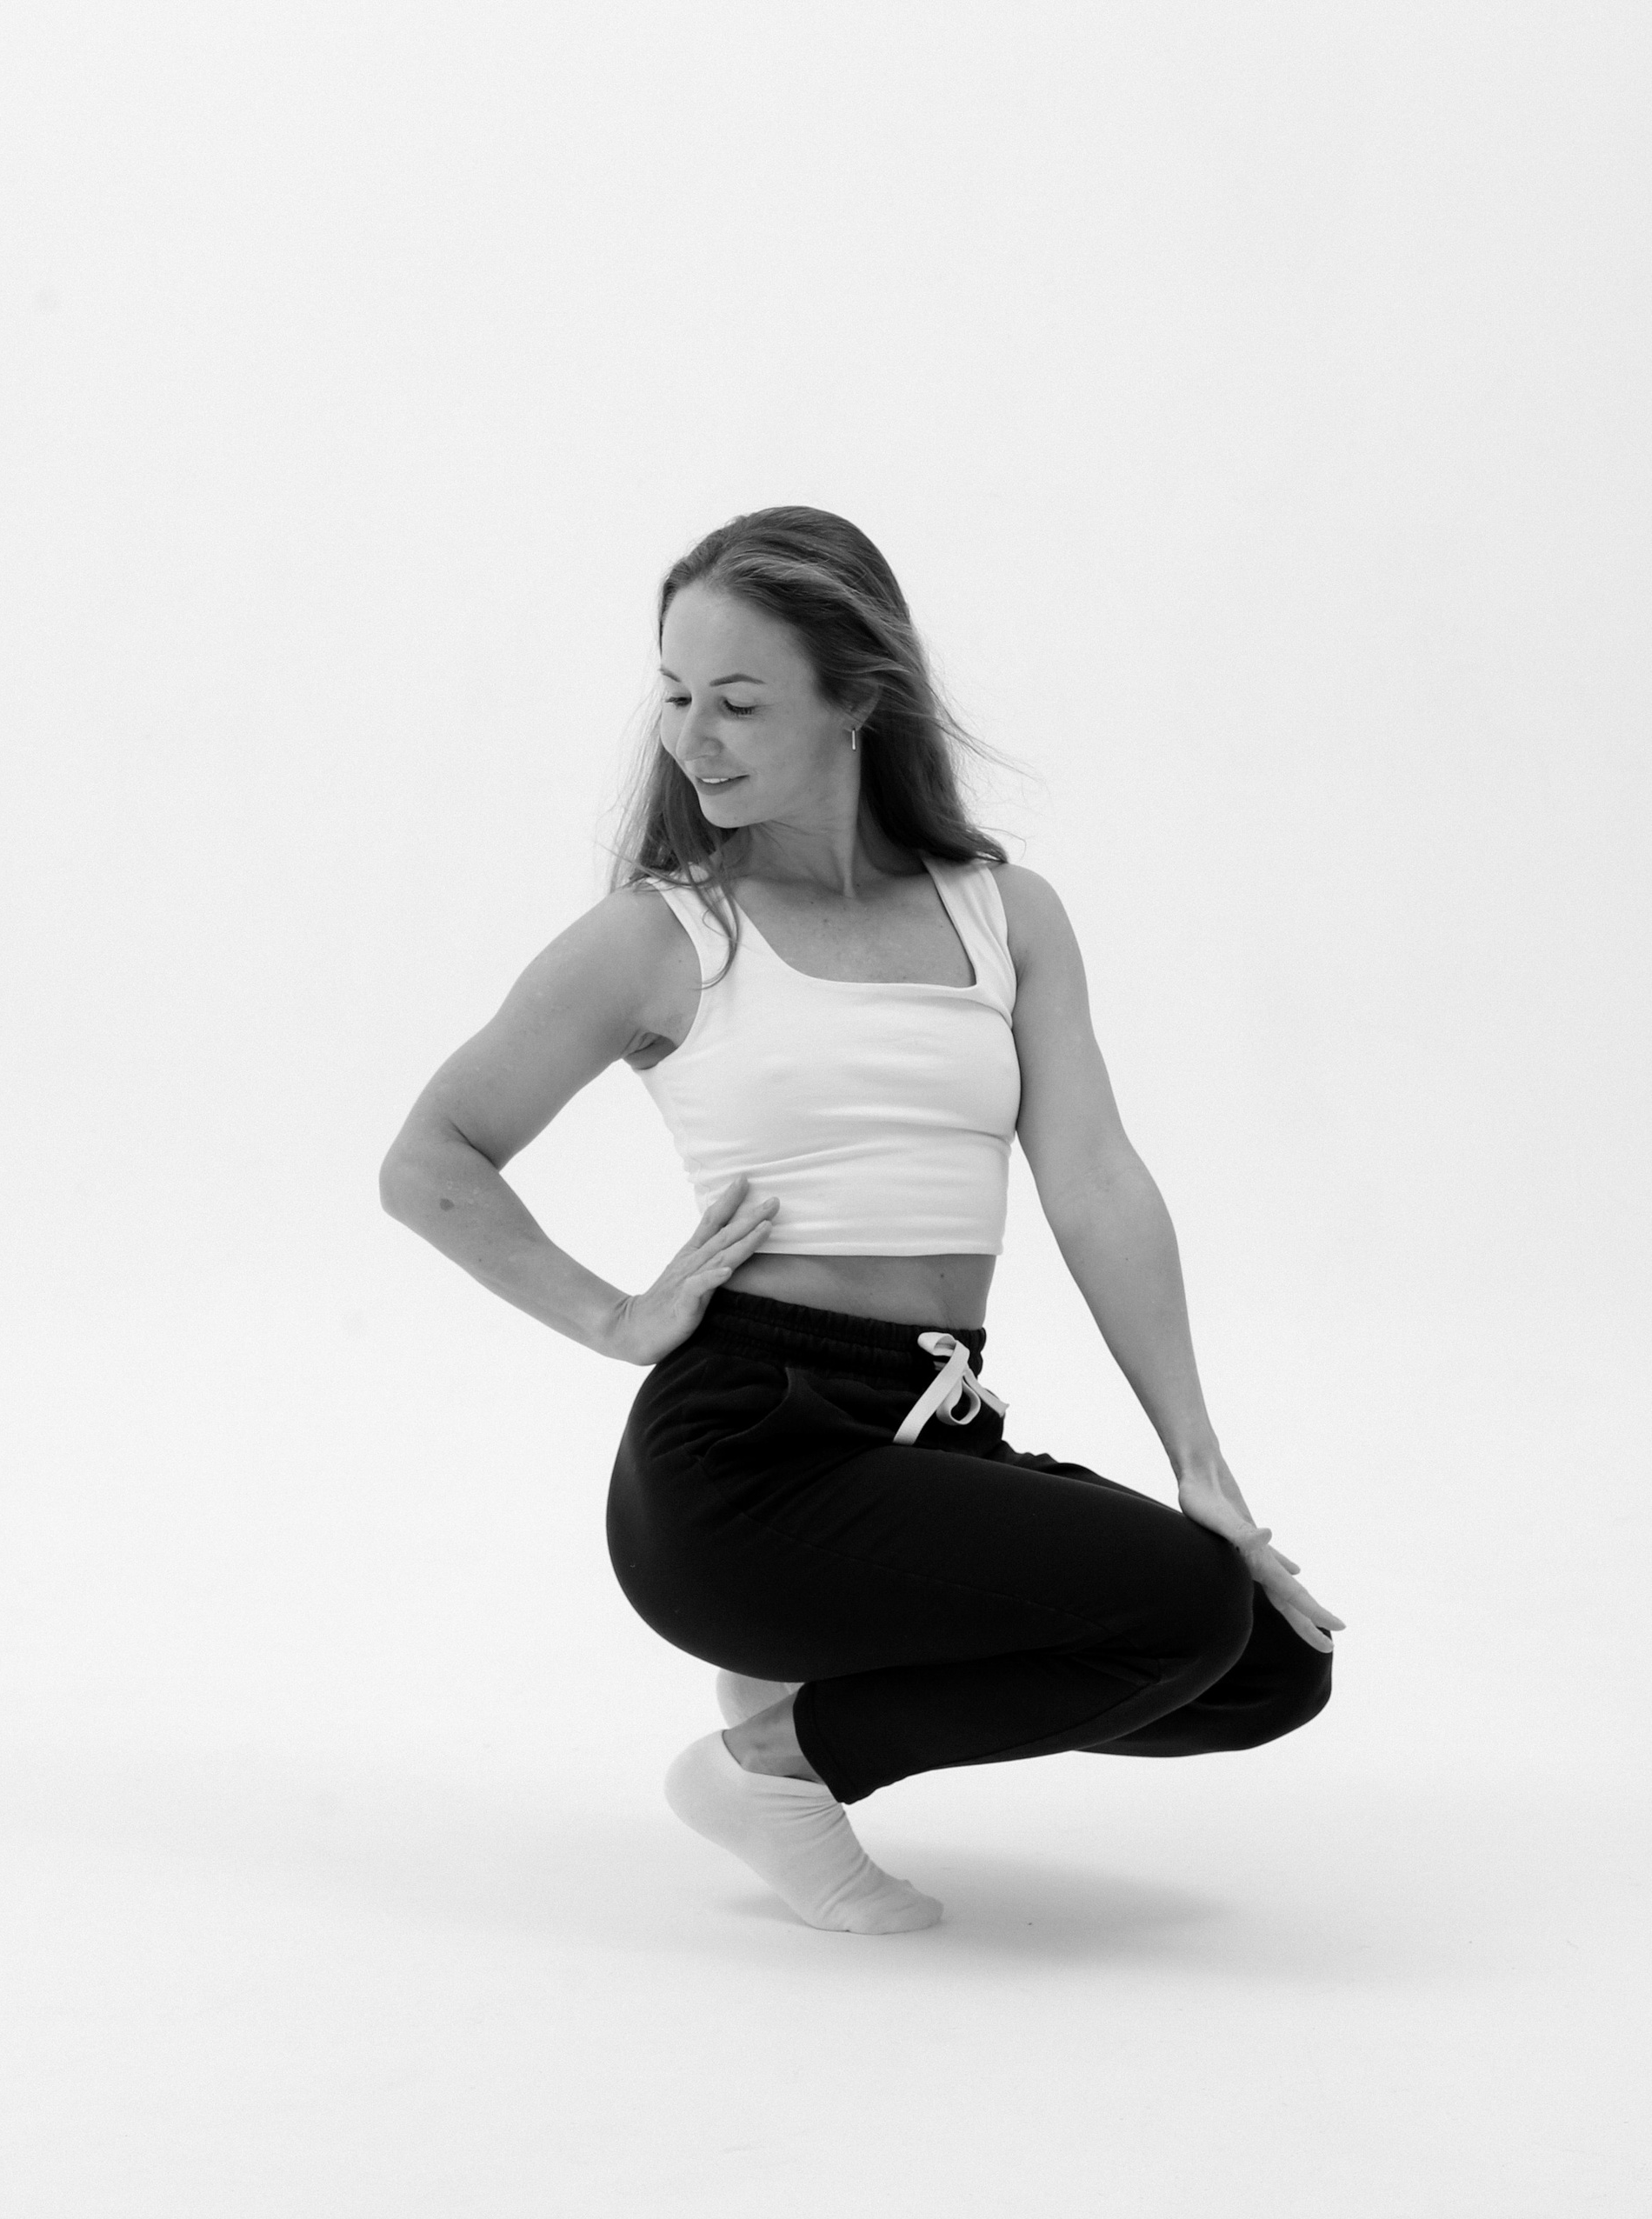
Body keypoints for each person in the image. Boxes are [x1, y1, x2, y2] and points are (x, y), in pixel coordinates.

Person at [378, 505, 1342, 1937]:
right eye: (676, 695)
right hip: (745, 1457)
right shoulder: (667, 934)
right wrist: (614, 1319)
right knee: (1182, 1613)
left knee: (1265, 1663)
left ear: (858, 701)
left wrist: (1202, 1466)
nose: (692, 739)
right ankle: (774, 1768)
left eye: (739, 702)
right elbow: (430, 1160)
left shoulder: (1005, 914)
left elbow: (1096, 1182)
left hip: (926, 1427)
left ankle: (802, 1698)